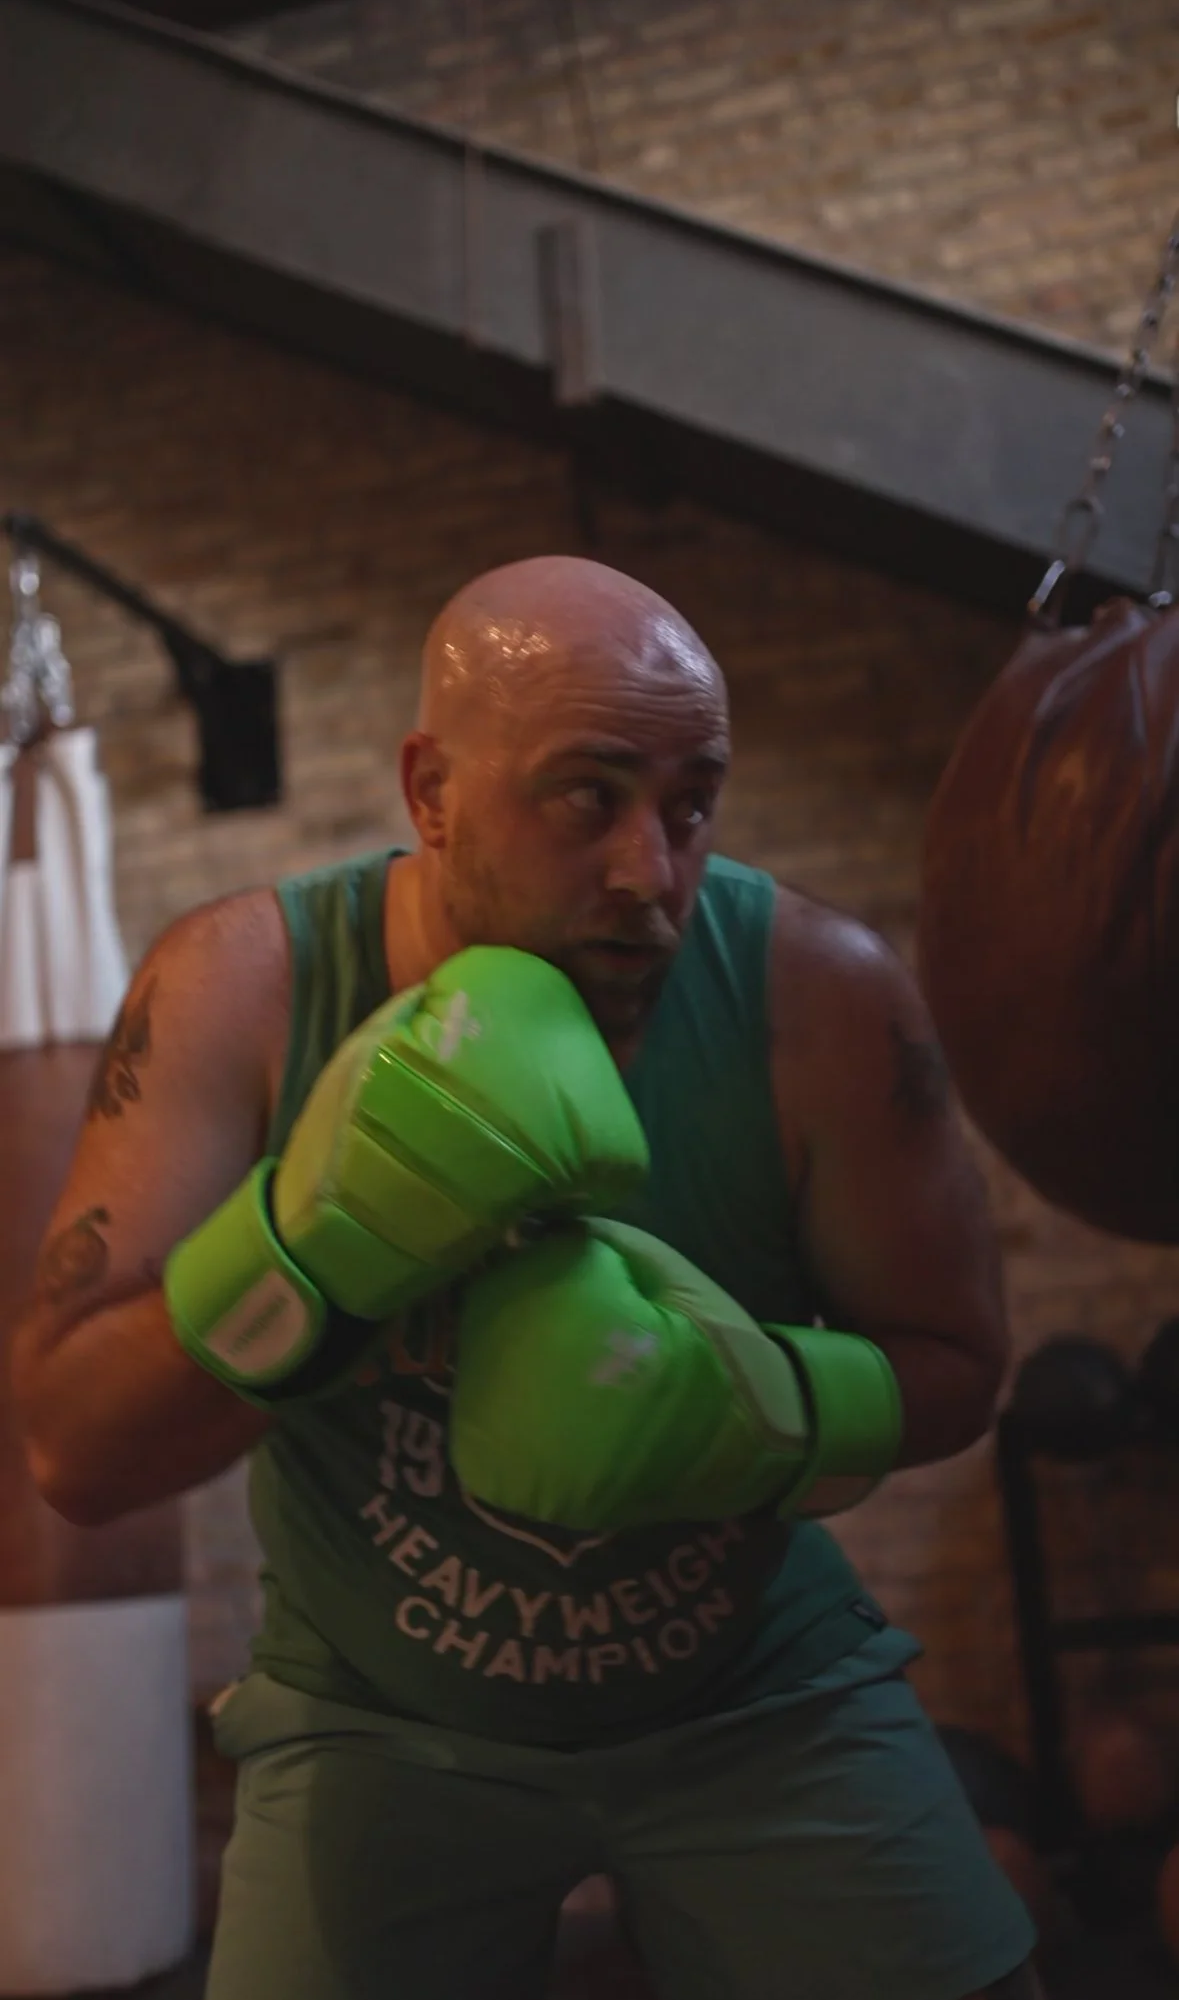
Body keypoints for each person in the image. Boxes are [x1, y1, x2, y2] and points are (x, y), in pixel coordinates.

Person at [15, 555, 1040, 2000]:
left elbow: (956, 1360)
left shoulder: (817, 994)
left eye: (692, 804)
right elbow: (70, 1441)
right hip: (374, 1718)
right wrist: (319, 1256)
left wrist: (748, 1401)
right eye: (588, 795)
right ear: (429, 790)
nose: (652, 873)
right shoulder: (240, 989)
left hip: (753, 1696)